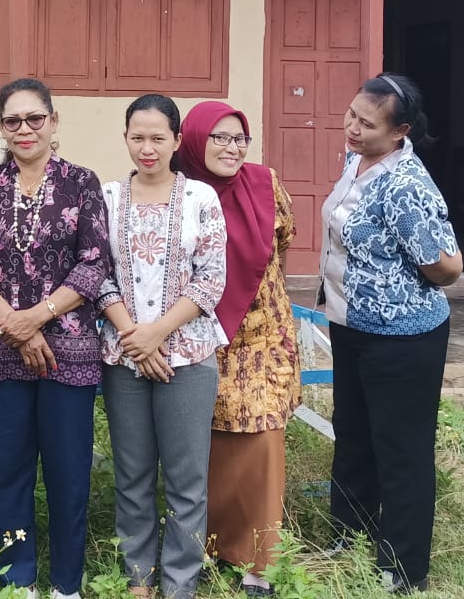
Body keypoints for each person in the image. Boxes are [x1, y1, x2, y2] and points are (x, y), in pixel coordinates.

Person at [0, 77, 110, 599]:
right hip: (5, 353)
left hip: (68, 350)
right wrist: (15, 327)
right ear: (0, 126)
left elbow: (94, 265)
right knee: (10, 470)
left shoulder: (81, 184)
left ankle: (67, 583)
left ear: (53, 121)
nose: (24, 129)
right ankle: (17, 579)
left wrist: (36, 318)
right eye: (12, 121)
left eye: (34, 118)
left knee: (69, 474)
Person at [319, 73, 462, 594]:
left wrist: (390, 289)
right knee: (353, 432)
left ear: (400, 131)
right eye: (352, 114)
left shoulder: (407, 186)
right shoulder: (355, 159)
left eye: (367, 123)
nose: (352, 127)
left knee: (400, 447)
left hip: (402, 337)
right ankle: (349, 534)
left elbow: (447, 267)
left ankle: (404, 568)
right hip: (350, 323)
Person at [98, 94, 227, 599]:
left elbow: (212, 278)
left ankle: (179, 584)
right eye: (137, 137)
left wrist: (157, 334)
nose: (147, 148)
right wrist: (136, 336)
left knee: (186, 479)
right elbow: (96, 274)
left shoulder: (200, 199)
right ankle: (137, 580)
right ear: (125, 138)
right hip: (123, 356)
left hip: (188, 358)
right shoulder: (106, 197)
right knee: (131, 473)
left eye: (158, 138)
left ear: (177, 140)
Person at [179, 101, 301, 598]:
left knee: (262, 439)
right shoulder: (178, 189)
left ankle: (260, 563)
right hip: (200, 330)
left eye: (239, 138)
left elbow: (284, 239)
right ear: (194, 140)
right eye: (220, 138)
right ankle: (209, 546)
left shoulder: (265, 182)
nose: (232, 148)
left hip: (264, 335)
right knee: (205, 444)